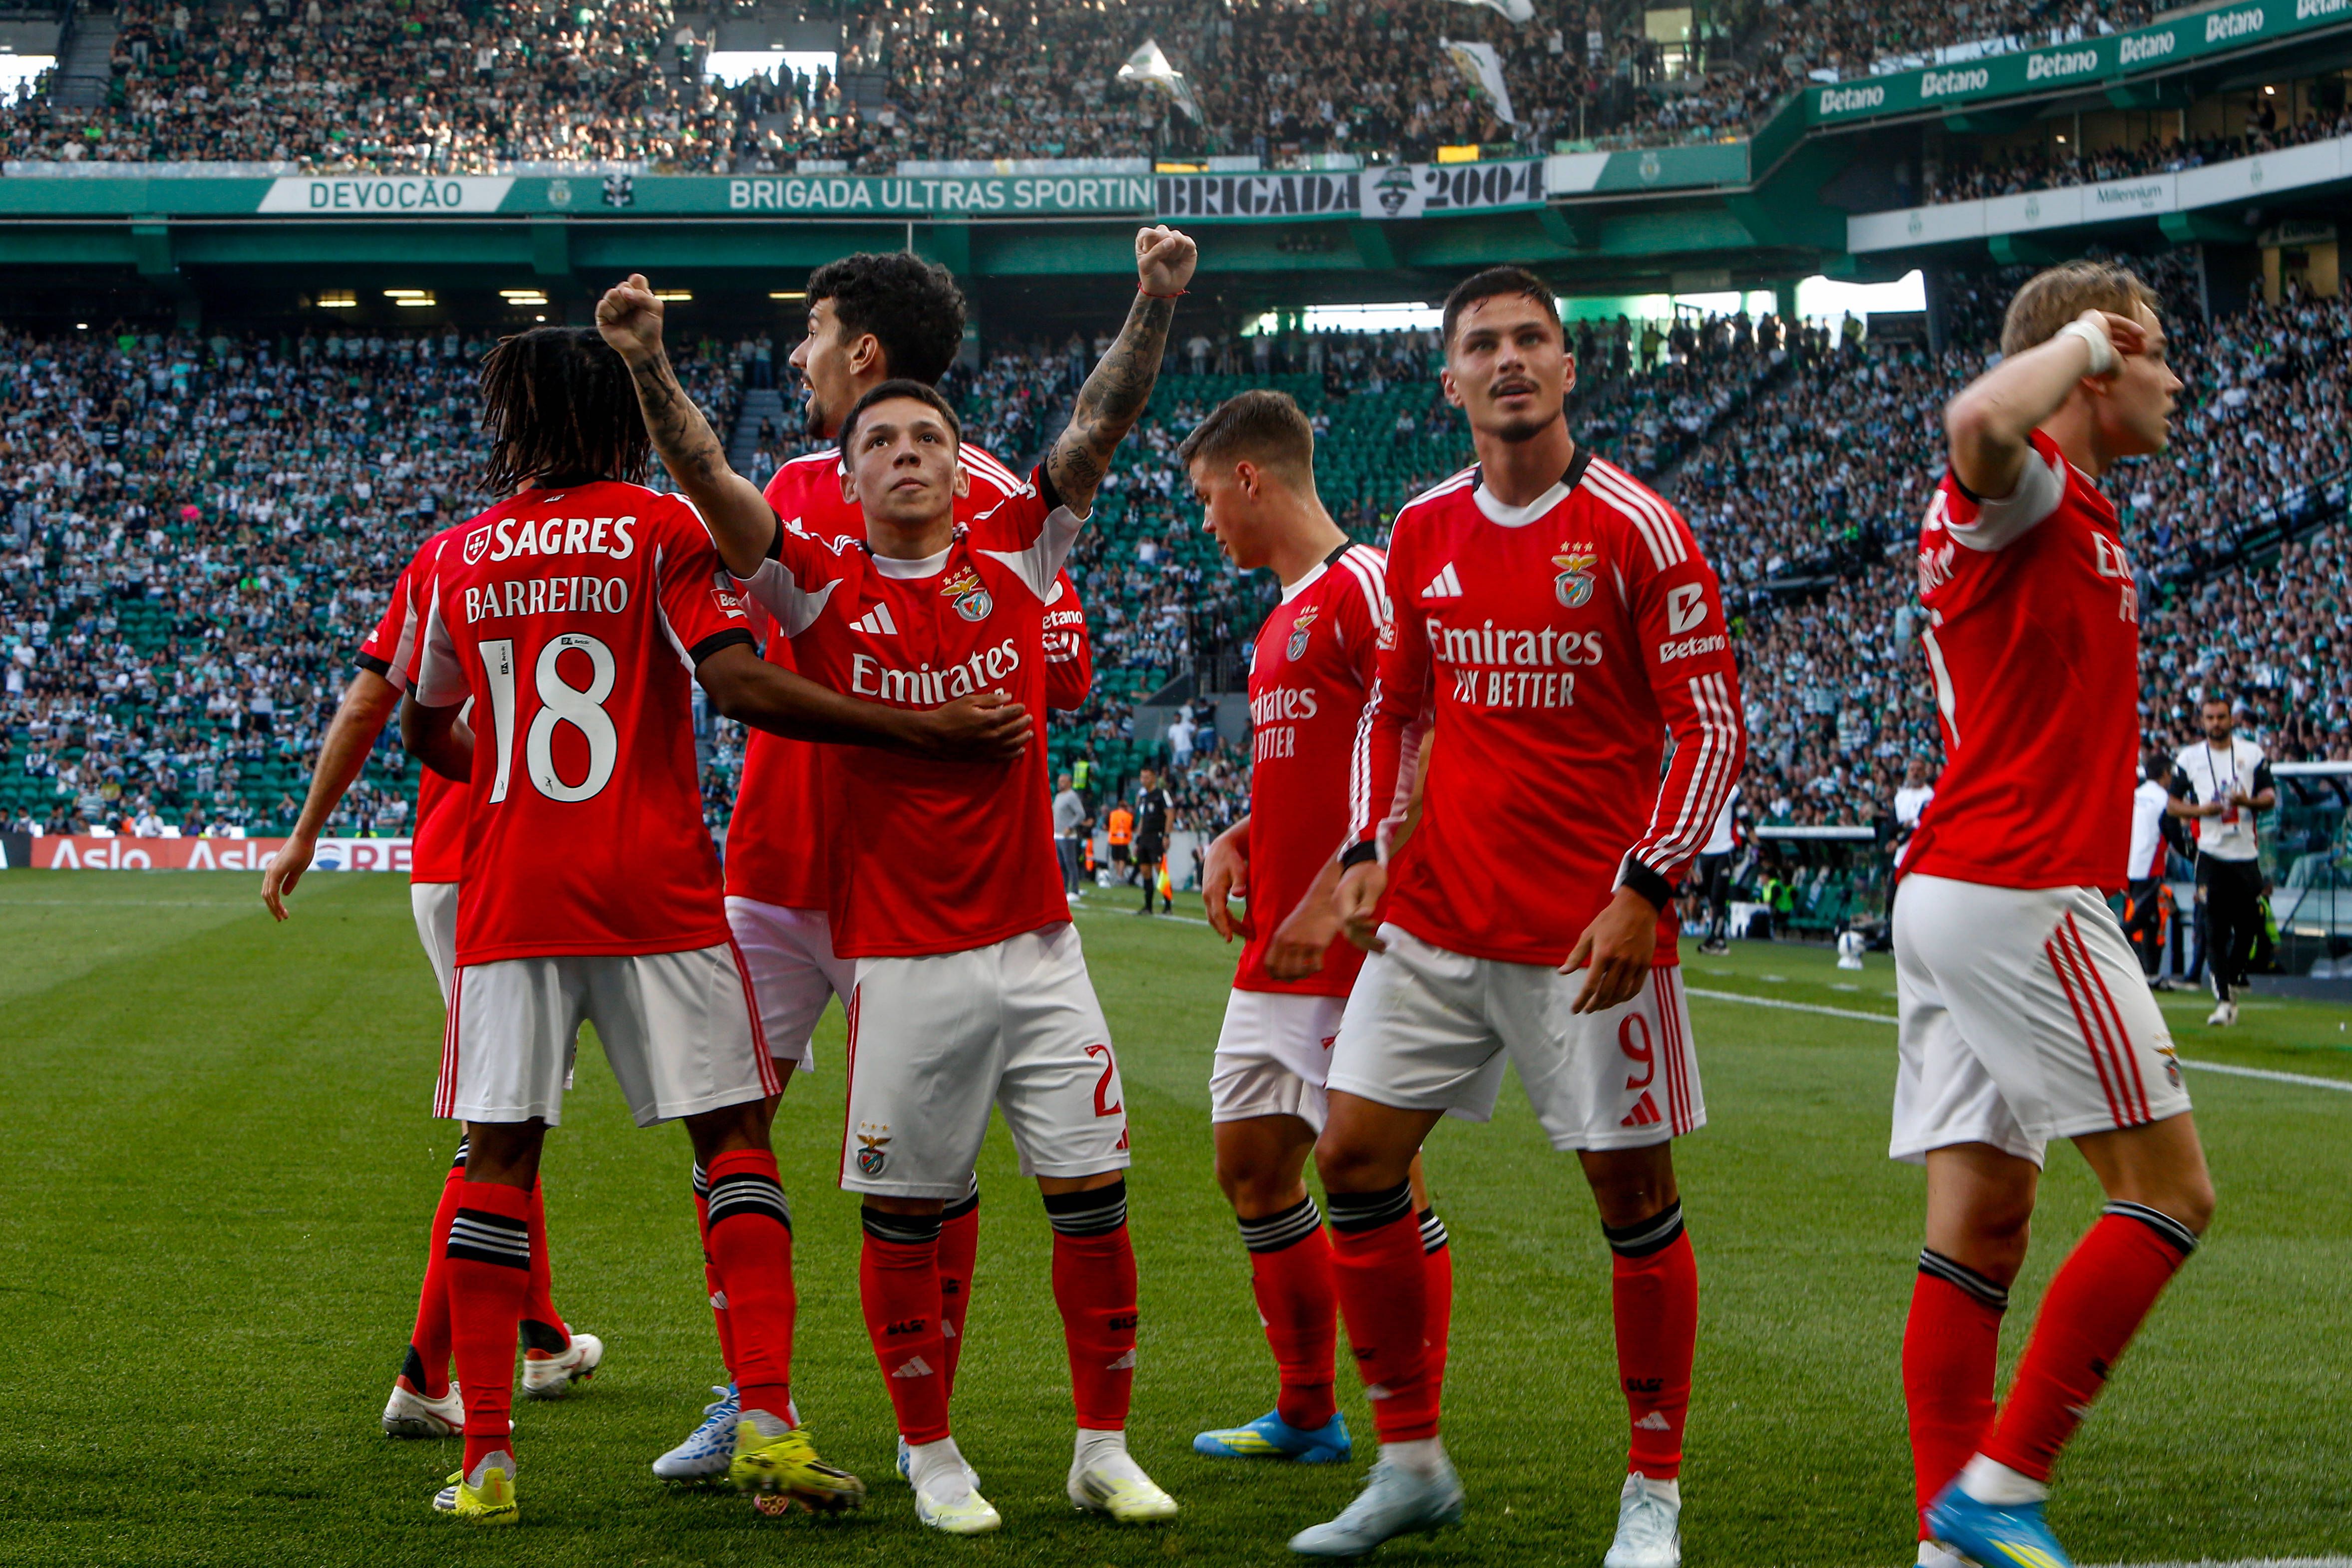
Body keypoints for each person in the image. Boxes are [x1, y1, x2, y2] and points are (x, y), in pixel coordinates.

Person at [600, 223, 1198, 1537]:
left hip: (924, 893)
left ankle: (941, 1425)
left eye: (808, 334)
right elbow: (739, 635)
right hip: (775, 868)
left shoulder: (990, 498)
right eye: (885, 444)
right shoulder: (784, 497)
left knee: (938, 1169)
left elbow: (1060, 666)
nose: (797, 358)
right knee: (734, 1125)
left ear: (863, 353)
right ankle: (755, 1394)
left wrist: (956, 664)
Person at [397, 325, 1028, 1526]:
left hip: (511, 889)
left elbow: (426, 730)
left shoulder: (454, 553)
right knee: (734, 1137)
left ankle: (484, 1456)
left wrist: (514, 783)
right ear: (614, 419)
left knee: (497, 1158)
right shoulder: (659, 527)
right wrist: (919, 728)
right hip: (657, 886)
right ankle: (770, 1422)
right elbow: (737, 684)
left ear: (515, 420)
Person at [1306, 267, 1746, 1563]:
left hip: (1588, 938)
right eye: (1479, 344)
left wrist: (1644, 885)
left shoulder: (1637, 528)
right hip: (1435, 918)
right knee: (1349, 1163)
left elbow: (1706, 727)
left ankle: (1651, 1489)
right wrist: (1361, 843)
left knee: (1630, 1200)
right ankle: (1407, 1460)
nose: (1506, 360)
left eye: (1528, 340)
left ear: (1567, 369)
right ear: (1446, 380)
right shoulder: (1421, 527)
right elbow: (1392, 710)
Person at [1891, 262, 2212, 1568]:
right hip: (2017, 885)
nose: (2175, 379)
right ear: (2099, 359)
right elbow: (1975, 423)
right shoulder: (2021, 486)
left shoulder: (2066, 508)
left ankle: (1942, 1537)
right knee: (2169, 1192)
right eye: (2154, 353)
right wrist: (2080, 331)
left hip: (1959, 889)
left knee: (1976, 1227)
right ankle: (2001, 1483)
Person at [262, 527, 600, 1441]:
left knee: (511, 1115)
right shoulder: (610, 542)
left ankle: (543, 1335)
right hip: (517, 863)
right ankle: (424, 1371)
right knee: (497, 1124)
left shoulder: (452, 555)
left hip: (445, 861)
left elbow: (373, 701)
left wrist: (305, 833)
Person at [1181, 389, 1449, 1469]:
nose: (1205, 525)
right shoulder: (1283, 610)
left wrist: (1348, 881)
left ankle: (1408, 1435)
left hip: (1354, 940)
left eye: (1208, 499)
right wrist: (1239, 832)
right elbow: (1328, 757)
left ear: (1252, 477)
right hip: (1276, 946)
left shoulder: (1367, 584)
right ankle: (1306, 1411)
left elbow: (1430, 734)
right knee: (1251, 1166)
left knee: (1376, 1177)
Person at [2167, 696, 2274, 1026]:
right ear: (2202, 720)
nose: (2216, 723)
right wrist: (2201, 810)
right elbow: (2172, 805)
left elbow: (2270, 797)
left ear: (2231, 719)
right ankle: (2223, 1001)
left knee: (2248, 927)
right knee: (2212, 926)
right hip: (2210, 854)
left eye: (2221, 717)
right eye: (2210, 717)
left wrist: (2247, 801)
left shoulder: (2251, 753)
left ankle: (2229, 976)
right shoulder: (2189, 758)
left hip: (2244, 854)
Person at [2123, 749, 2173, 984]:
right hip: (2150, 865)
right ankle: (2113, 941)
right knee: (2142, 918)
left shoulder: (2136, 795)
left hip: (2130, 863)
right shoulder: (2164, 799)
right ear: (2165, 773)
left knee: (2152, 918)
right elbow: (2170, 830)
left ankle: (2150, 974)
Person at [1694, 784, 1737, 955]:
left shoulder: (1733, 791)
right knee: (1712, 897)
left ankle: (1717, 939)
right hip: (1706, 850)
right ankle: (1716, 937)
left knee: (1718, 897)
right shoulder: (1703, 787)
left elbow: (1743, 817)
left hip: (1724, 850)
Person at [1133, 766, 1173, 914]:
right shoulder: (1144, 797)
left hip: (1157, 837)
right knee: (1145, 871)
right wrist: (1138, 839)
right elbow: (1143, 819)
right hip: (1145, 837)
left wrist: (1167, 835)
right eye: (1142, 777)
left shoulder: (1161, 794)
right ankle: (1148, 906)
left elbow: (1170, 813)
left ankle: (1168, 904)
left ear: (1154, 778)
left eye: (1147, 777)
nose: (1144, 780)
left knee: (1160, 870)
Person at [1053, 770, 1090, 901]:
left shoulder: (1071, 796)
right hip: (1057, 835)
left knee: (1070, 864)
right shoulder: (1058, 796)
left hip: (1068, 836)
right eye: (1059, 782)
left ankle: (1074, 891)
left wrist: (1070, 826)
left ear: (1069, 783)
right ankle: (1063, 890)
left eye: (1063, 782)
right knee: (1061, 865)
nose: (1060, 784)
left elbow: (1081, 814)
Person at [1106, 799, 1135, 882]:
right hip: (1124, 841)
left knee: (1115, 858)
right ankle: (1120, 875)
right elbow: (1133, 828)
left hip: (1114, 840)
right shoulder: (1129, 816)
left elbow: (1106, 826)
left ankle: (1117, 874)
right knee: (1123, 859)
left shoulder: (1112, 814)